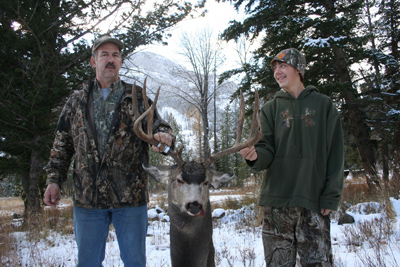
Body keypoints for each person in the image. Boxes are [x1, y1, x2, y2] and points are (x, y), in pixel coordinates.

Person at [44, 35, 174, 267]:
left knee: (135, 262)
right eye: (104, 54)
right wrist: (54, 180)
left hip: (130, 198)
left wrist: (164, 138)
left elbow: (160, 128)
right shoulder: (76, 101)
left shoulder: (137, 97)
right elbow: (62, 145)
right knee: (88, 263)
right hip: (88, 200)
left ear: (120, 61)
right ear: (94, 61)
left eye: (115, 55)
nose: (110, 59)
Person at [240, 48, 344, 266]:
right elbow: (266, 150)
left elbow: (336, 153)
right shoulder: (269, 109)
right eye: (275, 68)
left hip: (314, 200)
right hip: (278, 202)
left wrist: (331, 194)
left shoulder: (324, 105)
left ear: (298, 69)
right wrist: (255, 155)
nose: (277, 72)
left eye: (283, 66)